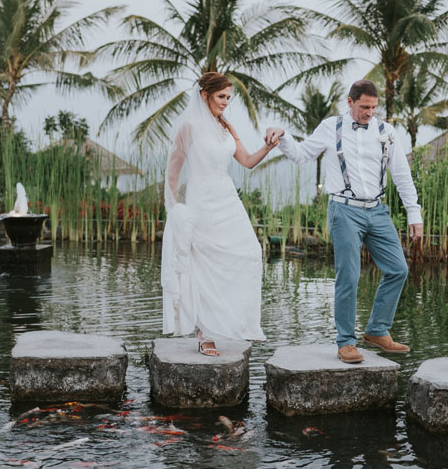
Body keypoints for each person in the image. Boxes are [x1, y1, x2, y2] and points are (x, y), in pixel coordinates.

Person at [265, 80, 423, 363]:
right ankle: (346, 342)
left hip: (377, 209)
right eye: (364, 107)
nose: (369, 113)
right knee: (348, 275)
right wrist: (284, 136)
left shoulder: (387, 131)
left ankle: (377, 331)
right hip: (344, 209)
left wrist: (414, 213)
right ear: (350, 102)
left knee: (398, 268)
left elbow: (401, 175)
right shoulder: (330, 127)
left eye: (374, 108)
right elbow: (301, 155)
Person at [162, 72, 276, 355]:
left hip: (228, 200)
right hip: (202, 202)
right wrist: (174, 210)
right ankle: (205, 335)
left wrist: (269, 146)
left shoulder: (226, 126)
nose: (226, 102)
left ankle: (241, 324)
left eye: (229, 98)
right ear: (205, 95)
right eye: (221, 97)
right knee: (205, 264)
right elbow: (173, 171)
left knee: (250, 253)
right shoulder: (188, 127)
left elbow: (247, 161)